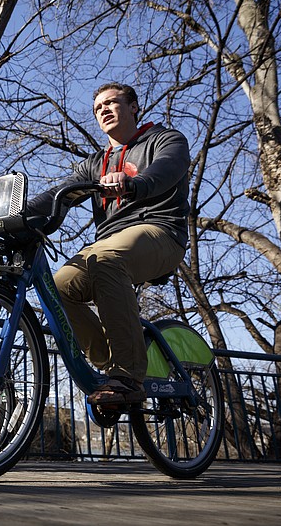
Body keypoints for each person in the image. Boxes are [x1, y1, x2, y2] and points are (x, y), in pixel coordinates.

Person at [27, 82, 190, 405]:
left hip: (159, 231)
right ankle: (110, 366)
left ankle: (127, 374)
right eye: (98, 107)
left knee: (105, 259)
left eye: (111, 103)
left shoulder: (164, 139)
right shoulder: (94, 163)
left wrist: (134, 183)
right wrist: (16, 212)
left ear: (133, 107)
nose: (103, 109)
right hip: (110, 243)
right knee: (55, 288)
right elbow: (60, 193)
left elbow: (166, 170)